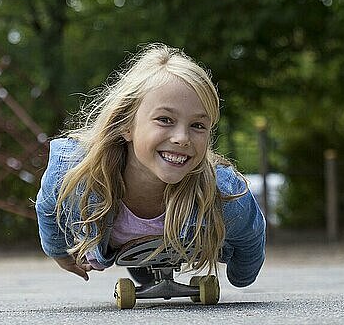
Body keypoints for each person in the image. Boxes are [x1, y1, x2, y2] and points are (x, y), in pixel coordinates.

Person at [35, 43, 265, 287]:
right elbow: (47, 207)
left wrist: (242, 277)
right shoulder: (73, 172)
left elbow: (251, 235)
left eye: (198, 125)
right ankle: (144, 272)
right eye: (165, 120)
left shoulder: (223, 192)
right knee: (143, 272)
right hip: (125, 245)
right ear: (127, 125)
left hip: (178, 242)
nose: (182, 138)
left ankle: (149, 270)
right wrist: (59, 253)